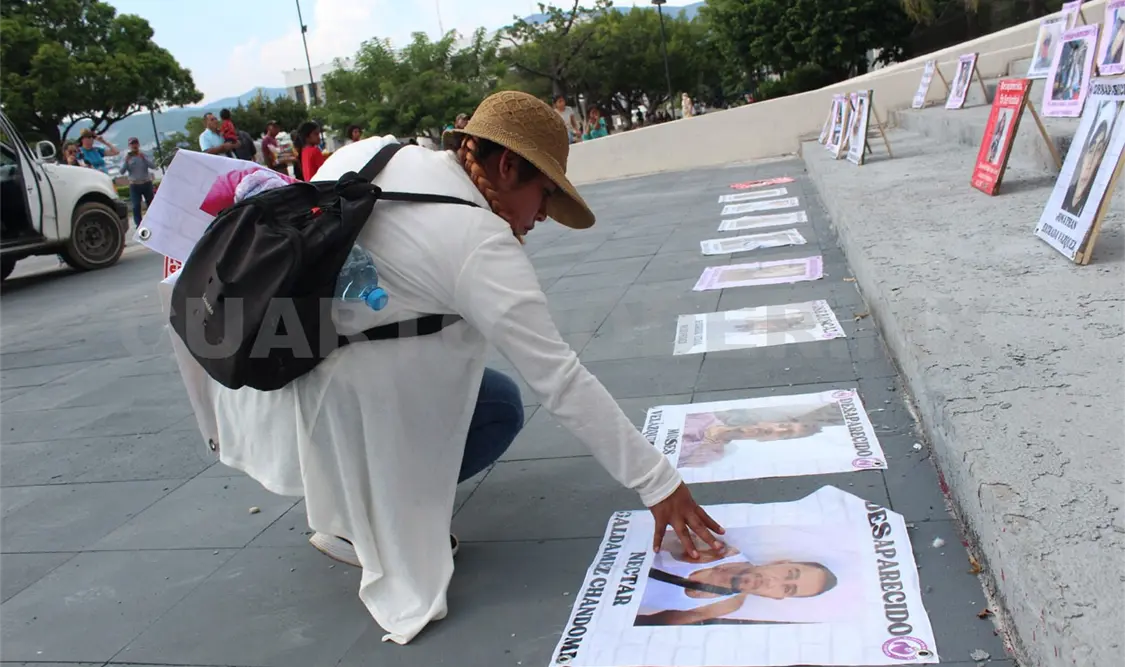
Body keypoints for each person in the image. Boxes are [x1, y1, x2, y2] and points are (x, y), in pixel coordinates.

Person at [191, 90, 720, 645]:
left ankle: (349, 501)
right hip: (348, 399)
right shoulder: (478, 243)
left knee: (484, 392)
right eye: (543, 194)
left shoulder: (379, 153)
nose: (541, 216)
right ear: (507, 165)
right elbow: (559, 379)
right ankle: (363, 524)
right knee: (500, 408)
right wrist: (660, 484)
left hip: (279, 373)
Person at [634, 529, 838, 626]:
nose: (773, 582)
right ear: (779, 562)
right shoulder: (717, 550)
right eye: (788, 574)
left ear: (775, 597)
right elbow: (641, 540)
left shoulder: (728, 606)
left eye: (787, 589)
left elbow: (657, 624)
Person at [678, 402, 843, 468]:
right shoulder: (705, 416)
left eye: (784, 435)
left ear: (769, 442)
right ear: (771, 422)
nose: (777, 430)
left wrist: (711, 440)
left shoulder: (711, 456)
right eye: (783, 426)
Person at [1063, 103, 1116, 217]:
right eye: (1091, 151)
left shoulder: (1091, 201)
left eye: (1098, 151)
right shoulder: (1067, 194)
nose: (1090, 163)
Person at [120, 137, 156, 227]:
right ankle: (139, 224)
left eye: (135, 143)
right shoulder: (127, 157)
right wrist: (126, 161)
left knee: (151, 204)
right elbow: (121, 171)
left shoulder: (143, 155)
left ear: (138, 145)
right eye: (132, 144)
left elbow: (153, 166)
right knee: (136, 205)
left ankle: (154, 222)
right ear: (129, 146)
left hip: (146, 183)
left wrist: (144, 158)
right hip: (134, 185)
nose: (134, 145)